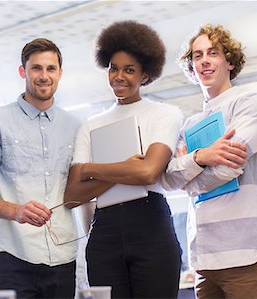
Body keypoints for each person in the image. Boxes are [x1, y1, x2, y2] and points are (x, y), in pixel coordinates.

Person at [64, 20, 183, 298]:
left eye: (130, 70)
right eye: (113, 68)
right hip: (103, 232)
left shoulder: (164, 115)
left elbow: (148, 173)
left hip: (151, 227)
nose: (119, 76)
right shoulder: (90, 126)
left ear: (145, 75)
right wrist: (126, 167)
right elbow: (72, 196)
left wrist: (92, 169)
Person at [162, 24, 257, 299]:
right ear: (191, 68)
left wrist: (190, 175)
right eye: (197, 55)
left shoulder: (251, 104)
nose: (204, 60)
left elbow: (228, 166)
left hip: (248, 256)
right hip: (205, 262)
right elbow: (168, 178)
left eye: (212, 52)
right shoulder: (189, 125)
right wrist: (202, 156)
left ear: (229, 60)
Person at [0, 38, 81, 298]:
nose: (44, 76)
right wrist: (16, 211)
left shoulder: (75, 126)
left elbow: (82, 188)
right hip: (13, 257)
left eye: (51, 69)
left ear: (60, 73)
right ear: (23, 72)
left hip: (64, 258)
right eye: (36, 68)